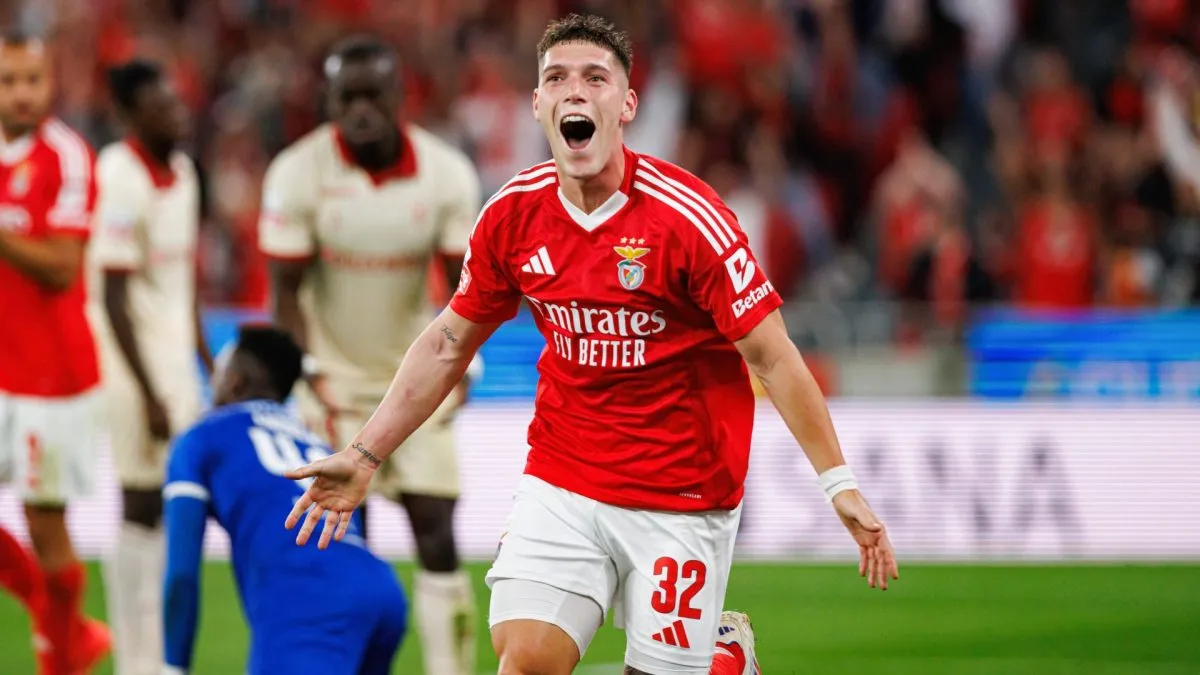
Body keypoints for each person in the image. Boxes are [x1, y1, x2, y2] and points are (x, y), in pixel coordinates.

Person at [286, 14, 899, 675]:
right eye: (557, 78)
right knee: (525, 659)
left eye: (595, 78)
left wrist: (839, 484)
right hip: (565, 476)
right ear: (538, 104)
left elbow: (773, 356)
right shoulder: (511, 215)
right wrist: (365, 453)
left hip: (682, 491)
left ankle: (724, 654)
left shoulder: (689, 219)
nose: (574, 90)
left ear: (626, 105)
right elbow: (447, 343)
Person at [258, 34, 483, 675]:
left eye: (373, 95)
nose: (361, 110)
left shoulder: (446, 174)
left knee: (436, 529)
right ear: (328, 102)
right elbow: (285, 293)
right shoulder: (296, 173)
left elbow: (469, 288)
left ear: (399, 96)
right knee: (344, 542)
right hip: (331, 382)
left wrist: (462, 365)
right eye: (346, 97)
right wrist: (305, 371)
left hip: (416, 382)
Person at [161, 325, 407, 675]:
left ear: (235, 382)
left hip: (307, 598)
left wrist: (173, 666)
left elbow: (182, 573)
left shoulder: (201, 438)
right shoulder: (315, 443)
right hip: (379, 589)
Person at [87, 59, 212, 675]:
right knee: (140, 500)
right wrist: (146, 391)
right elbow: (112, 295)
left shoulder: (184, 174)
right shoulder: (118, 175)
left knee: (169, 503)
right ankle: (132, 656)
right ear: (129, 116)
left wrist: (206, 359)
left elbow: (182, 281)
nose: (177, 115)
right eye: (161, 107)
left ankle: (157, 653)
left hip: (174, 363)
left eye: (177, 103)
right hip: (128, 364)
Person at [0, 31, 111, 675]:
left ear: (50, 83)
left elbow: (62, 266)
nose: (22, 93)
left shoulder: (67, 157)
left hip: (54, 378)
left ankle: (63, 658)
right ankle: (62, 623)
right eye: (9, 80)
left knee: (46, 530)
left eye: (32, 80)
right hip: (3, 368)